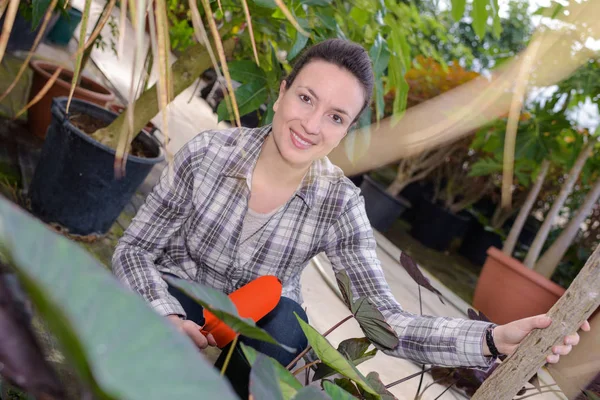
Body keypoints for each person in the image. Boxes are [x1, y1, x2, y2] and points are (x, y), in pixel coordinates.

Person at [112, 38, 589, 397]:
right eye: (305, 99)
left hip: (258, 330)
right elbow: (134, 249)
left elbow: (387, 322)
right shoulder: (208, 154)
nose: (312, 126)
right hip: (178, 296)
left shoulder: (338, 203)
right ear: (281, 95)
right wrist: (166, 313)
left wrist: (493, 338)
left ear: (345, 132)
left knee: (284, 323)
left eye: (336, 117)